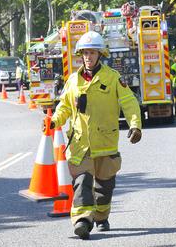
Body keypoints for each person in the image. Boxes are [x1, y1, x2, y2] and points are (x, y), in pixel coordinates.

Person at [48, 31, 142, 240]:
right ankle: (82, 220)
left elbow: (129, 101)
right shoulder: (73, 80)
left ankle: (101, 216)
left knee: (104, 187)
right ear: (81, 55)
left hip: (106, 144)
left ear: (100, 54)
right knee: (82, 181)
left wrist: (135, 125)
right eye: (85, 53)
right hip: (81, 145)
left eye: (92, 53)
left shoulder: (112, 78)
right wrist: (54, 121)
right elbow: (64, 107)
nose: (88, 57)